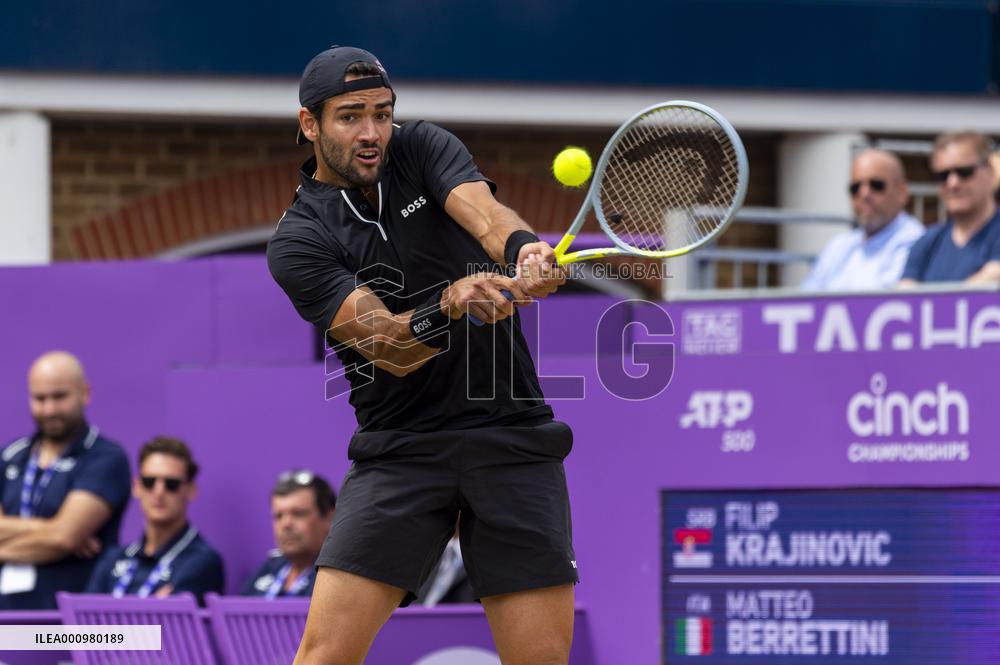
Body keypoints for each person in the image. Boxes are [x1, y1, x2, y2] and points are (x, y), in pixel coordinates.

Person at [267, 46, 575, 665]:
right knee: (322, 658)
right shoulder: (299, 241)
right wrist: (453, 302)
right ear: (310, 124)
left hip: (509, 433)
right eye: (350, 116)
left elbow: (483, 215)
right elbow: (388, 348)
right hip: (400, 449)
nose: (372, 133)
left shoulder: (423, 146)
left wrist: (521, 248)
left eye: (382, 114)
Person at [0, 351, 131, 609]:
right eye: (40, 398)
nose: (49, 409)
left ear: (85, 392)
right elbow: (63, 535)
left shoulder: (105, 457)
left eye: (59, 397)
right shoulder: (9, 456)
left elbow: (64, 538)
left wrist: (64, 535)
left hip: (71, 624)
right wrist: (56, 528)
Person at [85, 436, 224, 603]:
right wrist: (151, 611)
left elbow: (167, 627)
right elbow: (85, 626)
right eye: (149, 482)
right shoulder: (114, 558)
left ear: (191, 491)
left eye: (171, 484)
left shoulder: (202, 561)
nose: (159, 492)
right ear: (136, 487)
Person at [801, 148, 924, 291]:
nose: (864, 194)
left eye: (876, 185)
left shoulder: (916, 243)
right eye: (855, 187)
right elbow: (806, 298)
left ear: (902, 192)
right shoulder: (839, 245)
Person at [900, 131, 1000, 285]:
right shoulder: (927, 242)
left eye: (964, 172)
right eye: (943, 175)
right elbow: (904, 298)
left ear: (990, 171)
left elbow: (991, 281)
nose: (953, 183)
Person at [241, 470, 336, 598]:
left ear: (330, 517)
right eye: (278, 516)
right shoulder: (267, 569)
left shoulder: (339, 578)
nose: (286, 524)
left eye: (298, 513)